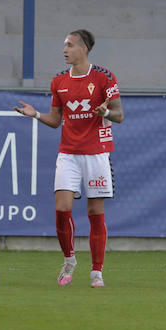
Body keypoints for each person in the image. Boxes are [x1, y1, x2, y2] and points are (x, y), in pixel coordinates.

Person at [14, 30, 122, 287]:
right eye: (64, 45)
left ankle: (97, 271)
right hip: (69, 154)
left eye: (70, 45)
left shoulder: (104, 77)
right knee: (62, 209)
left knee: (96, 212)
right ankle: (69, 259)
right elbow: (55, 120)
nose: (65, 49)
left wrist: (105, 110)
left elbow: (119, 115)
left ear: (84, 48)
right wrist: (36, 115)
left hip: (96, 154)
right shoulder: (59, 81)